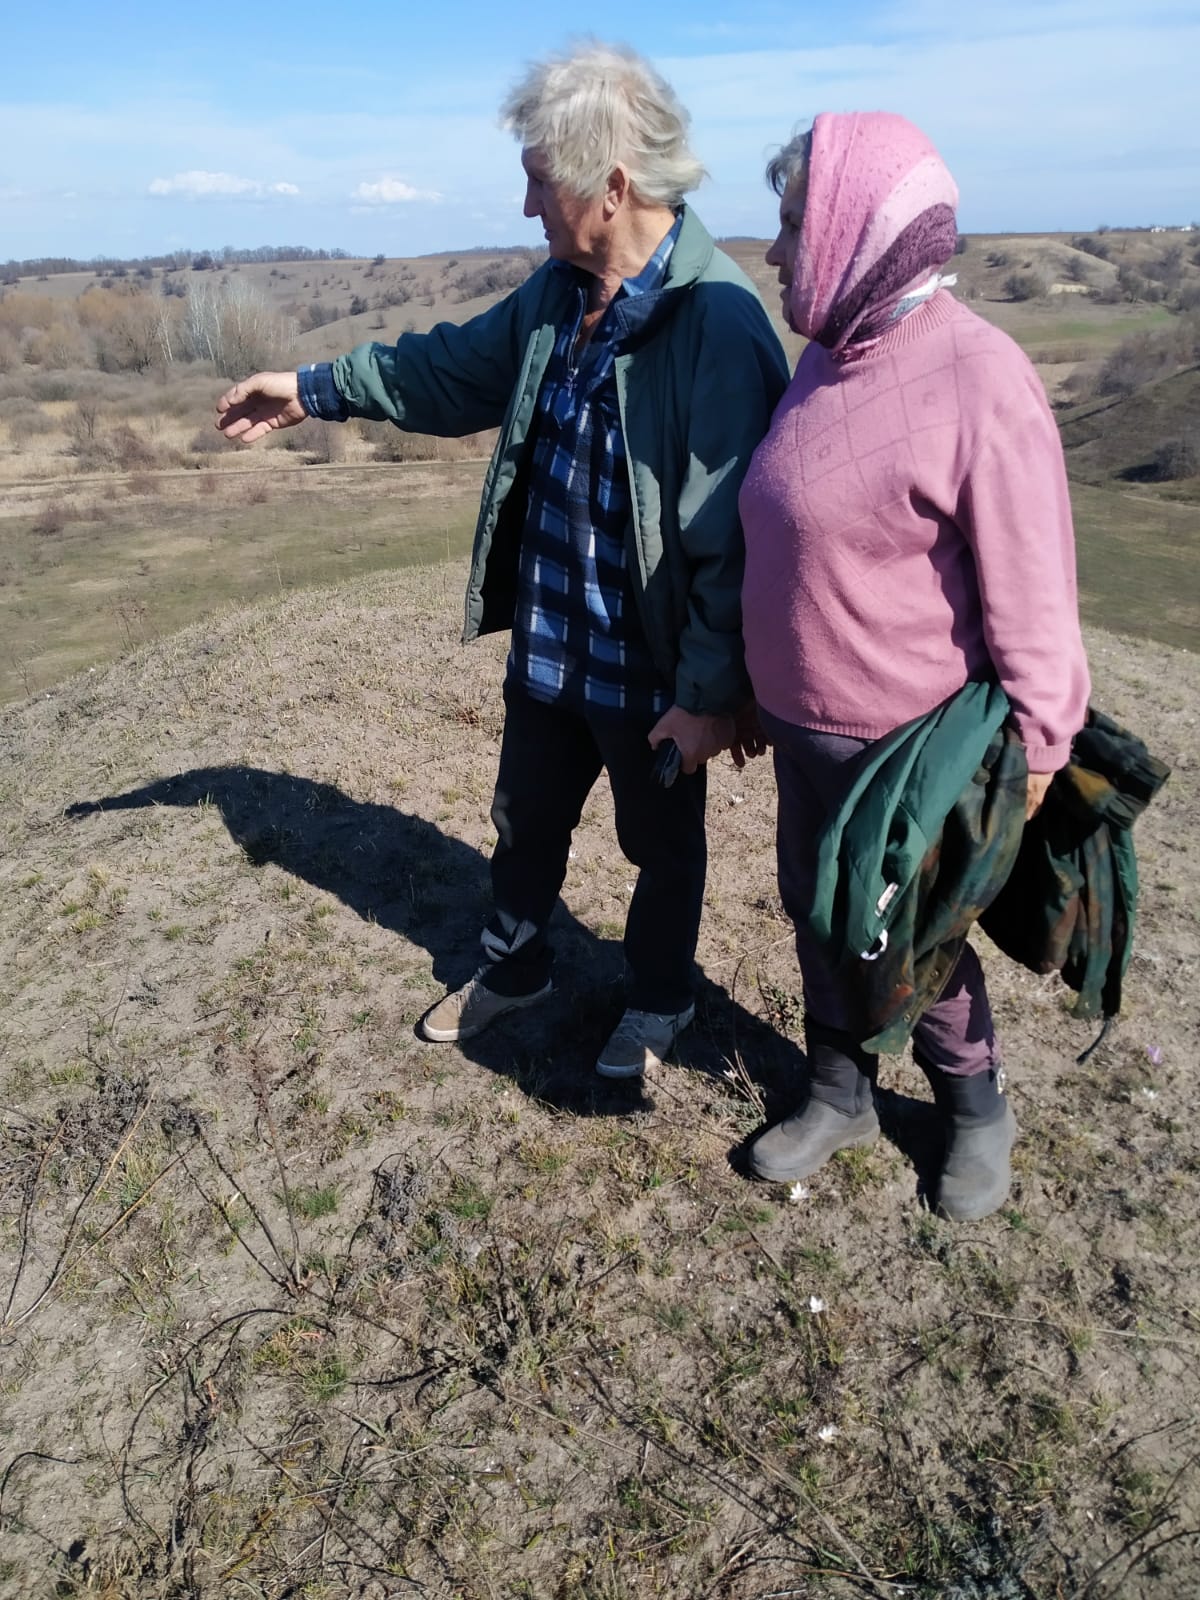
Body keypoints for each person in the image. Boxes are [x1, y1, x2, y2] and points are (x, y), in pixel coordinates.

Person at [215, 43, 788, 1079]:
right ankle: (516, 964)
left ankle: (660, 999)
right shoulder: (561, 295)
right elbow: (449, 368)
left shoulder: (718, 323)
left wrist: (711, 695)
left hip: (649, 667)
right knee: (522, 819)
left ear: (612, 186)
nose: (528, 205)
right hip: (552, 644)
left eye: (540, 178)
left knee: (661, 846)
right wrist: (314, 386)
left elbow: (731, 540)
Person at [737, 113, 1091, 1220]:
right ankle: (839, 1092)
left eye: (795, 223)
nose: (778, 248)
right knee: (816, 912)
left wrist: (1036, 756)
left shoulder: (982, 374)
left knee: (913, 941)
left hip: (909, 751)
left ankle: (976, 1111)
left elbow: (1036, 592)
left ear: (854, 227)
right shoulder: (825, 358)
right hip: (802, 728)